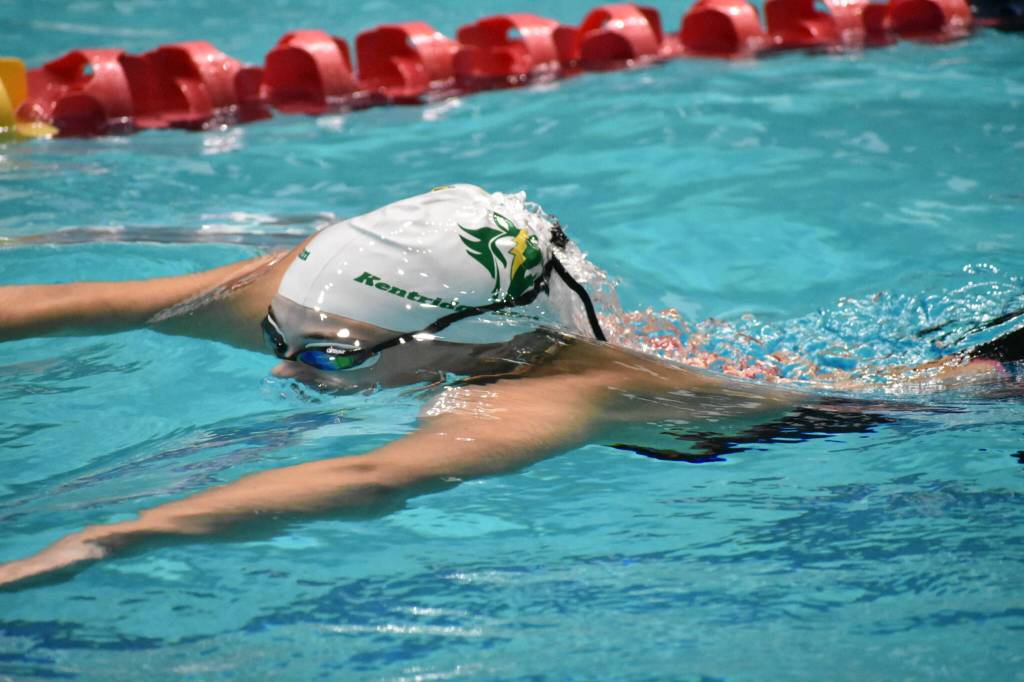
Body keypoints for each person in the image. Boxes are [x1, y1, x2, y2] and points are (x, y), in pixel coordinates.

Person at [0, 184, 1016, 589]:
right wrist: (314, 332)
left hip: (860, 412)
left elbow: (364, 481)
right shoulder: (309, 297)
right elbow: (86, 298)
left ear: (467, 344)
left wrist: (100, 539)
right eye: (286, 331)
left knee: (966, 382)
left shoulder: (549, 391)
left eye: (327, 355)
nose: (284, 363)